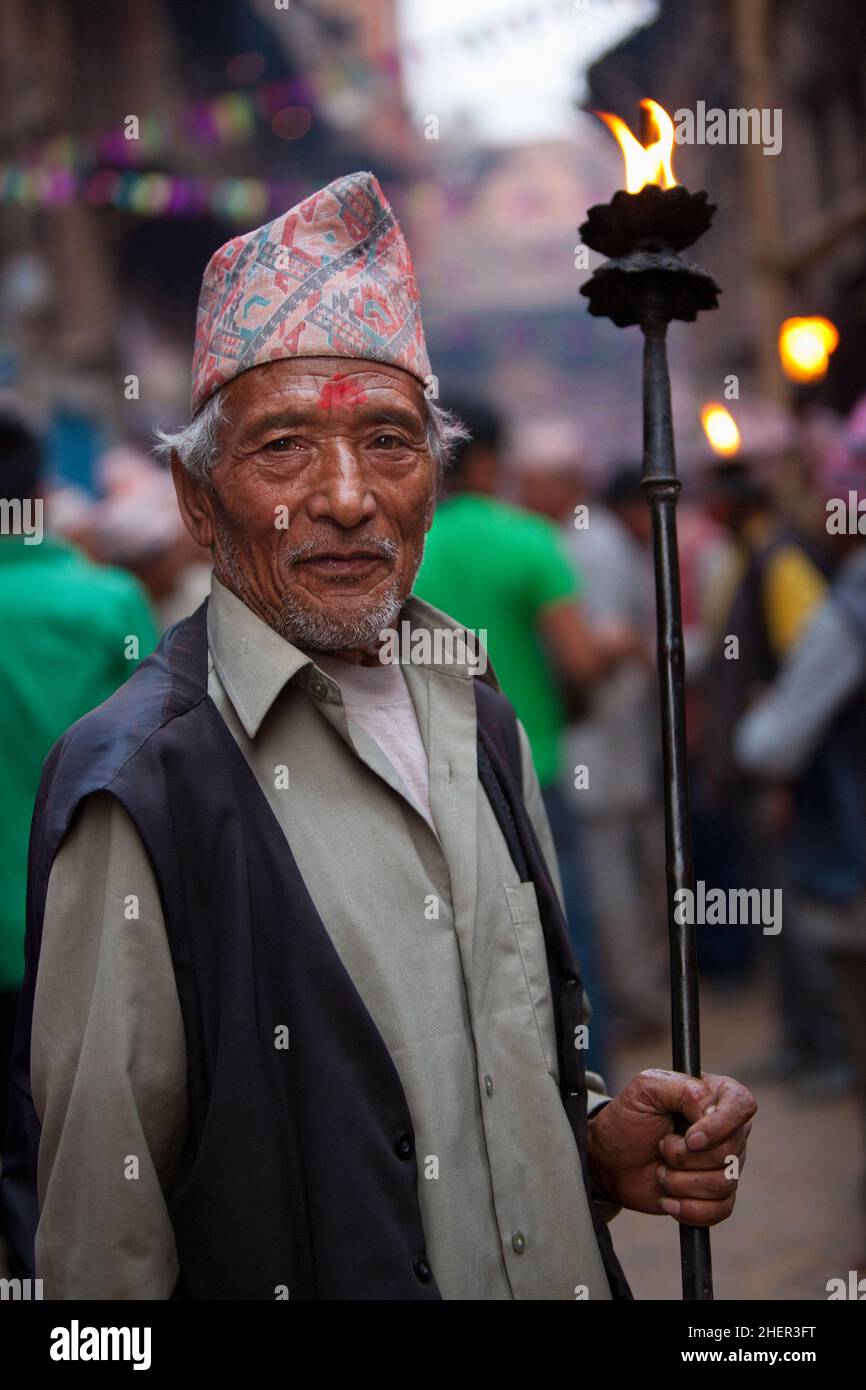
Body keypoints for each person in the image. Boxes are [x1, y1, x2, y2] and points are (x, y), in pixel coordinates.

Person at [2, 172, 756, 1301]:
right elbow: (99, 1254)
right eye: (284, 449)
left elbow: (479, 1082)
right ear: (198, 500)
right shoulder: (147, 787)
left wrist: (591, 1144)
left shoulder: (478, 719)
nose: (348, 496)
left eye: (389, 442)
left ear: (434, 483)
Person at [0, 411, 157, 1168]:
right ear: (38, 491)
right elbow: (162, 760)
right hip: (80, 916)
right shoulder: (107, 602)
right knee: (67, 1150)